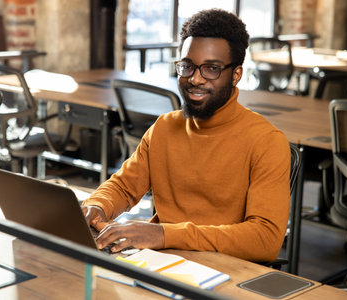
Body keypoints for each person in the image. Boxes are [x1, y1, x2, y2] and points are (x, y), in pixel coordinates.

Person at [82, 8, 290, 262]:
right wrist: (98, 205)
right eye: (187, 66)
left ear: (236, 75)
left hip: (225, 269)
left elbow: (266, 239)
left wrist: (165, 234)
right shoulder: (164, 127)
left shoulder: (267, 141)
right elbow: (124, 187)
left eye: (211, 68)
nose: (195, 79)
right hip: (163, 262)